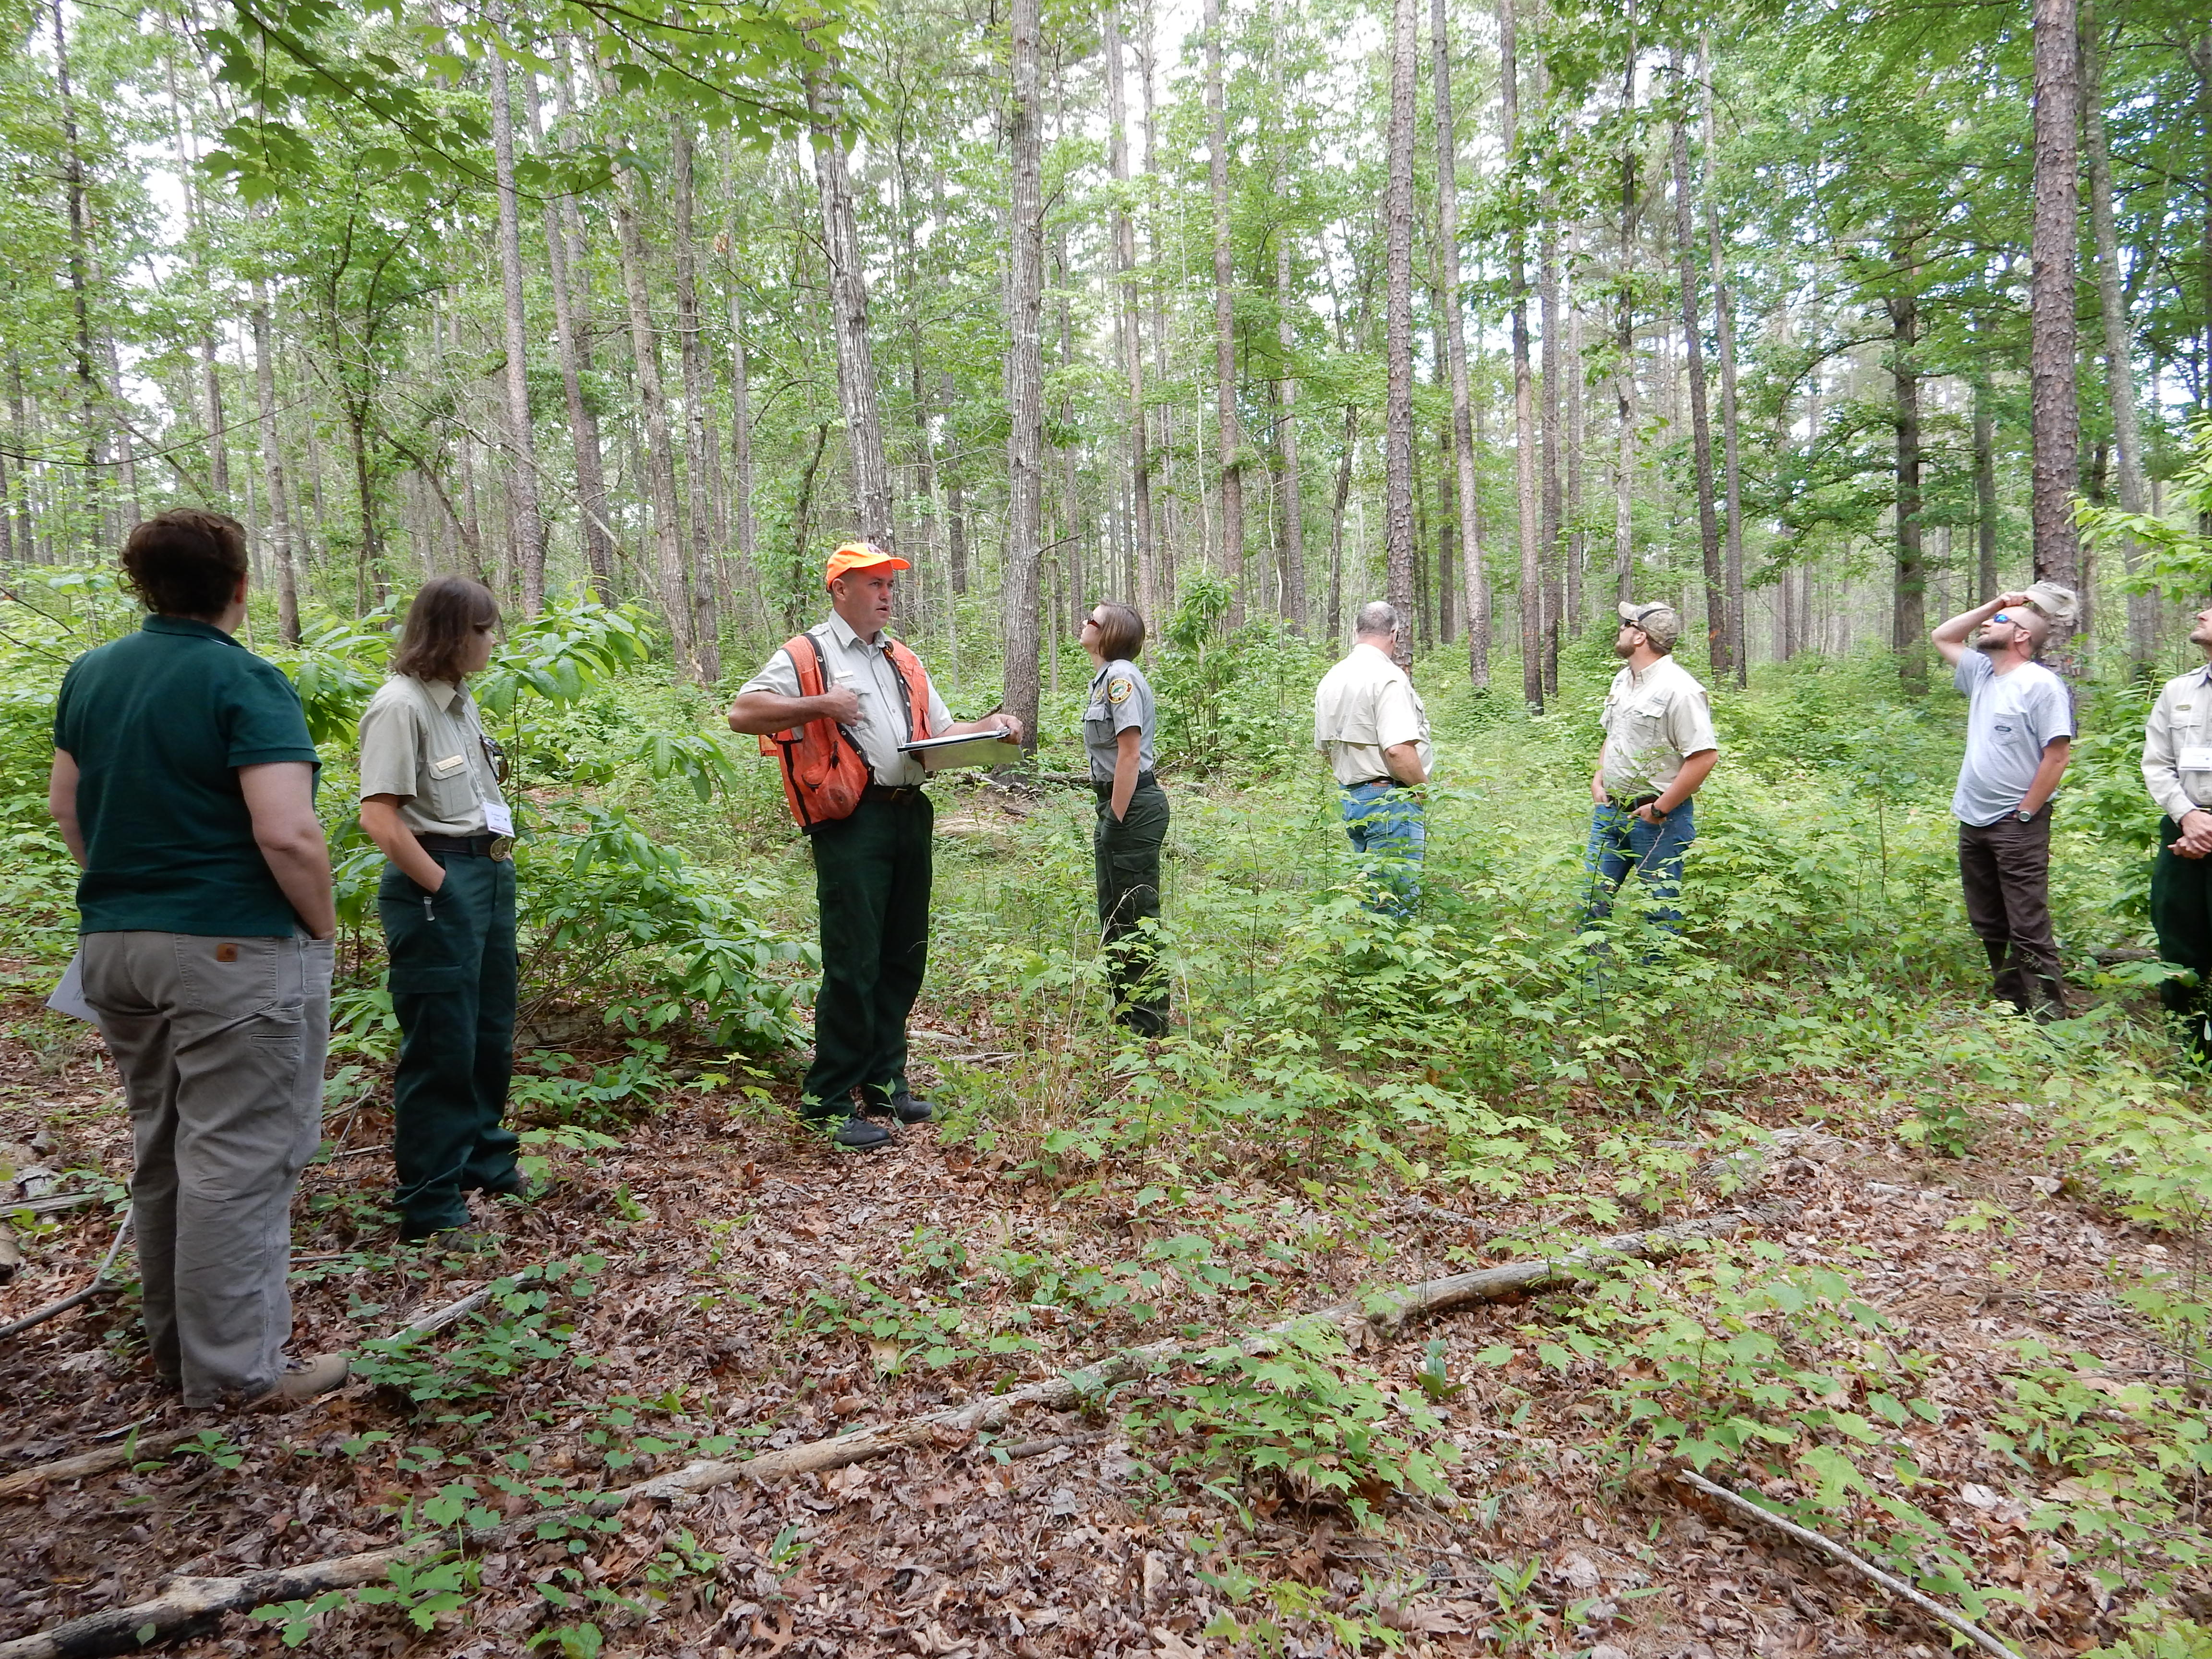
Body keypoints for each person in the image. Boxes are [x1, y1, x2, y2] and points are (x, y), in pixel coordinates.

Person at [46, 510, 346, 1408]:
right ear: (240, 588)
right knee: (240, 1156)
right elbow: (287, 831)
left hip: (116, 945)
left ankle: (181, 1351)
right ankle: (235, 1375)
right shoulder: (244, 680)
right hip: (231, 948)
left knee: (168, 1144)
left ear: (142, 585)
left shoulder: (92, 674)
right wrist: (321, 930)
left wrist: (131, 894)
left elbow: (71, 809)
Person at [726, 543, 1023, 1149]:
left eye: (891, 585)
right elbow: (743, 711)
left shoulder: (903, 659)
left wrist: (993, 727)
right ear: (840, 590)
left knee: (901, 955)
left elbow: (939, 733)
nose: (887, 594)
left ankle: (885, 1083)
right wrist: (822, 704)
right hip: (851, 820)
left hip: (909, 814)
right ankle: (827, 1100)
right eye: (874, 584)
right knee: (854, 958)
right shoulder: (809, 654)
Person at [356, 577, 531, 1243]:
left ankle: (483, 1159)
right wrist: (440, 885)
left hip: (487, 871)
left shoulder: (458, 701)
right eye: (483, 630)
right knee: (440, 1044)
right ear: (450, 633)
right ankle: (429, 1202)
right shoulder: (400, 707)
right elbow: (380, 818)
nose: (492, 642)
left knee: (488, 1029)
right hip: (438, 879)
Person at [1931, 588, 2076, 1021]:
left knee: (2027, 923)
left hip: (2017, 822)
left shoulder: (2041, 685)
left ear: (2021, 636)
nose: (1984, 627)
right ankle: (2011, 1003)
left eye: (1997, 622)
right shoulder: (1982, 673)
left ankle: (2051, 1018)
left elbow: (2057, 755)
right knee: (1988, 920)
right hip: (1973, 817)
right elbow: (1942, 636)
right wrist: (1997, 606)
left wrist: (2027, 811)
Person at [1586, 601, 1719, 933]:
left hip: (1659, 821)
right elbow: (1613, 734)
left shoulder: (1681, 689)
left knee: (1659, 911)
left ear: (1640, 637)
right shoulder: (1623, 679)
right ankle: (1591, 979)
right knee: (1591, 900)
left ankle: (1655, 979)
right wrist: (1599, 776)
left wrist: (1660, 809)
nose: (1621, 629)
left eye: (1626, 624)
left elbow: (1704, 757)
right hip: (1609, 812)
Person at [1081, 601, 1169, 1036]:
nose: (1084, 623)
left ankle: (1150, 1024)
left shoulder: (1121, 679)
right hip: (1116, 804)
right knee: (1114, 912)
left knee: (1135, 912)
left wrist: (1115, 819)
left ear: (1110, 633)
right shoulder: (1104, 680)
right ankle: (1126, 1013)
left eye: (1092, 620)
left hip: (1131, 808)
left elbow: (1130, 755)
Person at [1313, 602, 1432, 916]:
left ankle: (1368, 959)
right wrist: (1422, 790)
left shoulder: (1331, 678)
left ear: (1356, 632)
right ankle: (1388, 963)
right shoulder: (1387, 678)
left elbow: (1325, 749)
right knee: (1395, 901)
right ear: (1395, 634)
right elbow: (1397, 750)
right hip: (1390, 799)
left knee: (1372, 891)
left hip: (1353, 797)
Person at [2139, 602, 2212, 1058]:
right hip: (2185, 831)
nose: (2201, 613)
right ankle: (2191, 1049)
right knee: (2178, 932)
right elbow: (2157, 764)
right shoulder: (2179, 691)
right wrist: (2189, 817)